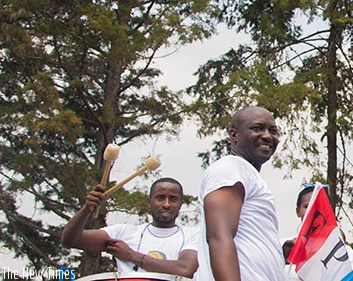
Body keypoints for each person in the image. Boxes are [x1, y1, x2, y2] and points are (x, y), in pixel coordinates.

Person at [197, 105, 285, 281]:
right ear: (234, 135)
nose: (268, 136)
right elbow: (218, 236)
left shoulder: (247, 174)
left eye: (273, 131)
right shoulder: (231, 167)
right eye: (257, 128)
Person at [61, 177, 198, 277]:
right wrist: (86, 210)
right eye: (160, 197)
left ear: (180, 204)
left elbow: (184, 270)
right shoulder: (123, 232)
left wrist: (132, 256)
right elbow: (71, 240)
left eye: (173, 199)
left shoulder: (193, 235)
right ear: (149, 202)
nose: (166, 204)